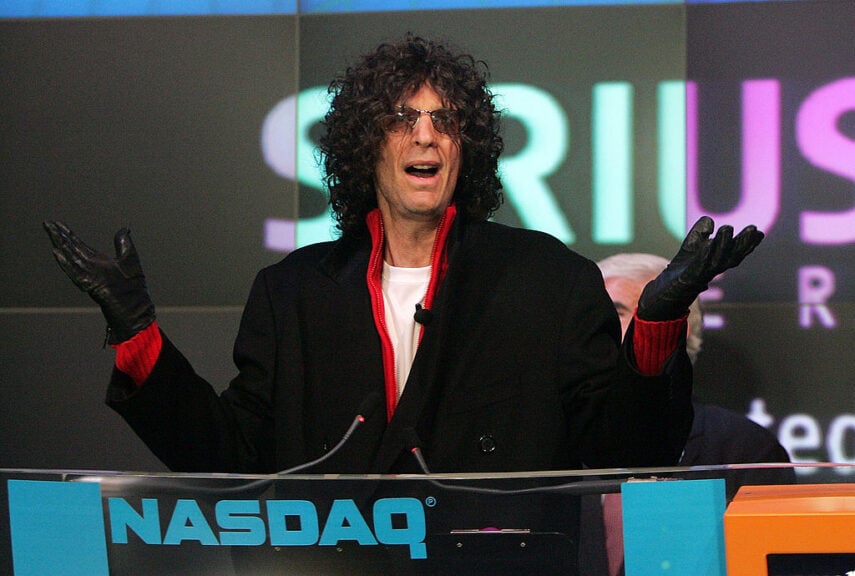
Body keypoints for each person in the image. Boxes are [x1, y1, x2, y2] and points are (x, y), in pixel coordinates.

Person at [43, 35, 764, 480]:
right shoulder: (293, 292)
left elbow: (624, 451)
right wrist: (139, 339)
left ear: (467, 146)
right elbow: (230, 455)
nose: (425, 138)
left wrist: (658, 325)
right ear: (366, 144)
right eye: (401, 119)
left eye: (444, 122)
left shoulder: (548, 280)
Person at [578, 252, 795, 576]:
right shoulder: (555, 436)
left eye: (618, 312)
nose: (598, 327)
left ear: (673, 331)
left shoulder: (744, 449)